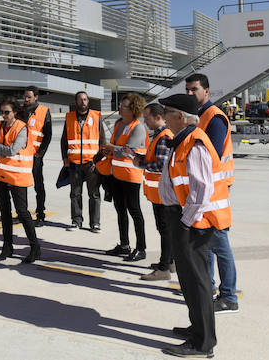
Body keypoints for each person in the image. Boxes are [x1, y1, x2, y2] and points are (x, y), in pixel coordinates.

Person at [157, 93, 230, 358]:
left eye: (166, 112)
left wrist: (185, 223)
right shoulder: (182, 141)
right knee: (188, 281)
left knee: (197, 281)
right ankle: (198, 329)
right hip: (184, 218)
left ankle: (203, 344)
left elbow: (202, 189)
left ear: (180, 117)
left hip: (193, 222)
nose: (163, 116)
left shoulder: (195, 143)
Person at [185, 73, 239, 315]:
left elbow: (211, 158)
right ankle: (207, 286)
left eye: (194, 89)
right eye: (187, 89)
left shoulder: (214, 118)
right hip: (205, 189)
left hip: (215, 190)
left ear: (206, 91)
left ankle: (228, 296)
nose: (189, 94)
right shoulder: (198, 117)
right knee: (206, 243)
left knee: (219, 244)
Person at [0, 98, 40, 263]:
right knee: (4, 213)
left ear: (15, 112)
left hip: (17, 176)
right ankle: (7, 247)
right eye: (2, 112)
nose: (3, 115)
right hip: (0, 175)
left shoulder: (22, 128)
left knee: (22, 213)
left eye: (7, 112)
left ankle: (35, 248)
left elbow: (12, 150)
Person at [103, 92, 149, 261]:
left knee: (134, 211)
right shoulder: (118, 123)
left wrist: (110, 146)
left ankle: (141, 247)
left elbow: (127, 151)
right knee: (120, 210)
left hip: (131, 176)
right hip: (116, 174)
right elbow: (118, 148)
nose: (120, 108)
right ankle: (124, 245)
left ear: (133, 109)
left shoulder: (138, 128)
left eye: (123, 106)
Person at [132, 102, 175, 280]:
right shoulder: (158, 135)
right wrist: (139, 156)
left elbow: (161, 165)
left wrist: (139, 163)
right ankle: (169, 261)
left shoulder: (164, 136)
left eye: (147, 118)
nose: (145, 122)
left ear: (158, 117)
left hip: (162, 193)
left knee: (165, 229)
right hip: (158, 192)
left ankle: (164, 269)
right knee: (164, 229)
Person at [60, 91, 105, 231]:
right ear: (75, 102)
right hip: (73, 163)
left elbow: (102, 142)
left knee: (94, 194)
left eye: (85, 99)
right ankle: (76, 221)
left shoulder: (96, 116)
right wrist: (65, 158)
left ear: (88, 101)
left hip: (91, 163)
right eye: (80, 100)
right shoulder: (69, 117)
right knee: (75, 193)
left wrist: (97, 161)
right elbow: (64, 140)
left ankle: (95, 223)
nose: (83, 102)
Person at [20, 86, 52, 227]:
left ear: (36, 97)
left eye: (29, 97)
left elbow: (48, 134)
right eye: (25, 97)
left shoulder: (44, 111)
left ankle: (40, 214)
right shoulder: (20, 110)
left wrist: (41, 153)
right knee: (20, 186)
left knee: (38, 186)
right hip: (21, 156)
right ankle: (22, 213)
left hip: (35, 156)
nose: (26, 99)